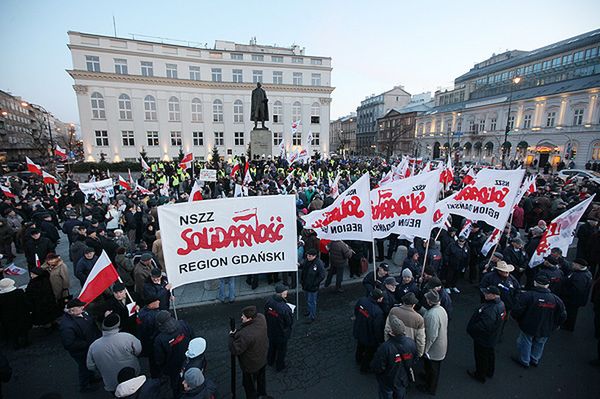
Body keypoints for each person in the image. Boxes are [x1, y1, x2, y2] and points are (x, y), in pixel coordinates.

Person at [511, 275, 567, 368]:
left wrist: (516, 318)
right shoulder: (556, 299)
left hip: (528, 325)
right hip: (546, 327)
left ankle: (524, 360)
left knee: (525, 342)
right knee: (540, 343)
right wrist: (556, 325)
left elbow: (517, 310)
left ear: (535, 283)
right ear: (548, 285)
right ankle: (534, 359)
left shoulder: (527, 295)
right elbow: (563, 315)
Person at [86, 313, 142, 393]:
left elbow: (90, 366)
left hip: (111, 382)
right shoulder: (127, 337)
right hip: (132, 374)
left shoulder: (94, 346)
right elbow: (138, 350)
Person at [59, 298, 101, 393]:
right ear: (72, 311)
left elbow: (91, 324)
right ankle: (84, 386)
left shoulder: (81, 313)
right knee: (84, 367)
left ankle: (92, 378)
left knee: (89, 364)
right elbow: (69, 344)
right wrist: (86, 344)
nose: (83, 307)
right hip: (81, 351)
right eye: (79, 306)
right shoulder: (67, 326)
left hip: (89, 346)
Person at [466, 286, 506, 383]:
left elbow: (484, 326)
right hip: (493, 336)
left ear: (493, 295)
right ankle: (489, 371)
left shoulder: (490, 309)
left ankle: (480, 375)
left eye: (487, 293)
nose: (484, 294)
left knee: (481, 356)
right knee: (490, 354)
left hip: (483, 338)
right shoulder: (501, 304)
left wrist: (472, 329)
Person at [370, 317, 418, 399]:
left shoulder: (385, 348)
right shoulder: (411, 343)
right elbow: (415, 359)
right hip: (403, 378)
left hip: (388, 380)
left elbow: (377, 367)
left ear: (392, 333)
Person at [229, 305, 269, 399]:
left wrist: (231, 336)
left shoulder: (245, 334)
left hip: (251, 366)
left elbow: (235, 349)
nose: (241, 317)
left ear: (249, 318)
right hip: (262, 359)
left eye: (243, 316)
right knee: (261, 380)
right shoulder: (261, 318)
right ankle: (262, 394)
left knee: (249, 386)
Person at [153, 310, 194, 398]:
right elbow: (192, 337)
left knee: (176, 386)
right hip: (189, 359)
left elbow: (160, 358)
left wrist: (163, 368)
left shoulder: (160, 339)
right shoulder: (183, 324)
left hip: (173, 367)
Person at [419, 290, 448, 396]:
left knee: (433, 369)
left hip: (434, 349)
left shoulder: (432, 315)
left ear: (430, 301)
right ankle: (427, 378)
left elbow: (431, 336)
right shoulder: (441, 310)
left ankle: (430, 388)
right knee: (432, 368)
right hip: (441, 344)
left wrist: (425, 350)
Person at [353, 288, 385, 373]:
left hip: (359, 328)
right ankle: (364, 368)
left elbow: (356, 311)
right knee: (369, 353)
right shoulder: (377, 311)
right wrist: (380, 340)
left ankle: (358, 359)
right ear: (377, 299)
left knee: (360, 346)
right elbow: (377, 328)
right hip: (369, 335)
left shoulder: (362, 300)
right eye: (381, 298)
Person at [385, 293, 425, 357]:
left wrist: (387, 343)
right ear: (413, 304)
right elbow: (420, 339)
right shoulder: (419, 319)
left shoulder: (393, 311)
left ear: (403, 302)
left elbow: (387, 329)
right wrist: (420, 353)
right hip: (409, 350)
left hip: (393, 346)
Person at [264, 284, 294, 372]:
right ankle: (280, 366)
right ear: (282, 293)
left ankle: (270, 361)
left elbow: (266, 313)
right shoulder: (285, 308)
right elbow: (289, 322)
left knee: (272, 346)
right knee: (281, 350)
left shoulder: (269, 301)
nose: (287, 292)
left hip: (271, 330)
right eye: (285, 291)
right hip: (281, 333)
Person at [561, 258, 593, 332]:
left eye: (574, 264)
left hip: (573, 300)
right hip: (575, 299)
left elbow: (576, 290)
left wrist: (565, 292)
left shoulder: (581, 276)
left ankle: (568, 326)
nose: (572, 265)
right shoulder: (585, 273)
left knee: (571, 313)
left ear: (579, 265)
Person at [0, 278, 31, 349]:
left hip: (7, 317)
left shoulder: (1, 296)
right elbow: (25, 302)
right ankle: (25, 341)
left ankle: (15, 344)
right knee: (23, 329)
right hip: (21, 314)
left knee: (12, 331)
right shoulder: (19, 292)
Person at [300, 248, 326, 322]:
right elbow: (303, 266)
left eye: (310, 256)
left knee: (311, 301)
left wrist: (314, 283)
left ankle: (312, 316)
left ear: (314, 256)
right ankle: (309, 311)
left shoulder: (318, 263)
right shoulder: (307, 261)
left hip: (312, 287)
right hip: (305, 285)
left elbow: (322, 276)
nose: (308, 257)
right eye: (307, 255)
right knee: (307, 300)